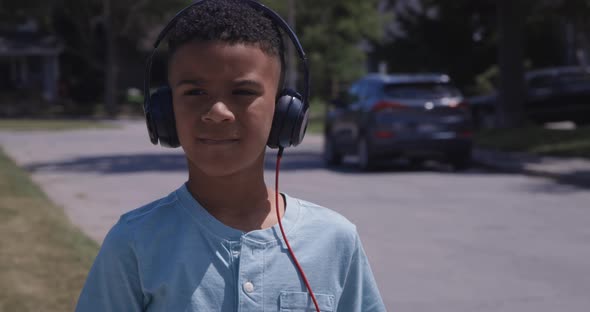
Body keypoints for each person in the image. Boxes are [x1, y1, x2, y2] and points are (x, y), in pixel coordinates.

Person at [75, 0, 385, 311]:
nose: (218, 112)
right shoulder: (135, 243)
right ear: (164, 112)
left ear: (283, 112)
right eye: (195, 93)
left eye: (243, 93)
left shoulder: (334, 240)